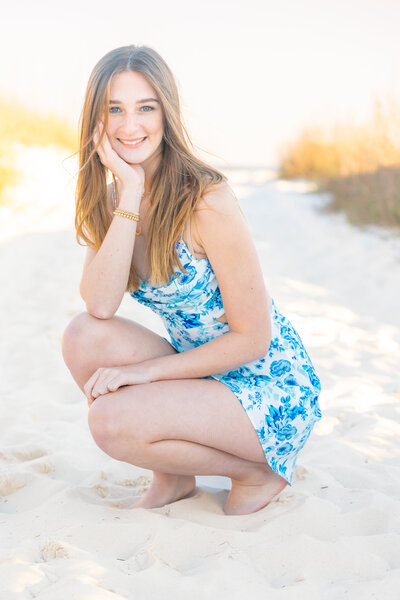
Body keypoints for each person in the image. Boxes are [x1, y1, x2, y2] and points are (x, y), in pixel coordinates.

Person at [61, 44, 322, 516]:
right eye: (114, 110)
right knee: (83, 336)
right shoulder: (116, 195)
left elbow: (254, 338)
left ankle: (254, 473)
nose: (129, 125)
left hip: (265, 385)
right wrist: (132, 190)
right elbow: (100, 306)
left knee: (110, 422)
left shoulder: (207, 199)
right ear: (96, 119)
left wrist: (142, 374)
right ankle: (175, 476)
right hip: (199, 369)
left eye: (145, 107)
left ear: (166, 112)